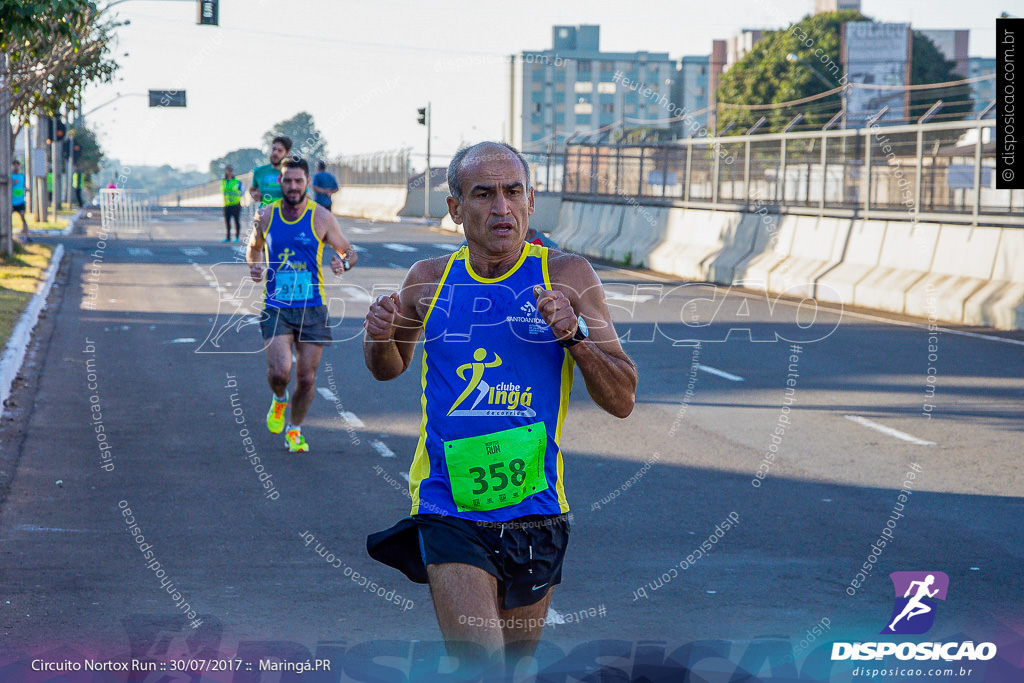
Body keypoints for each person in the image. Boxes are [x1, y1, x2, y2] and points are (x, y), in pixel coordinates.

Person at [363, 142, 637, 670]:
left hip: (535, 508)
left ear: (531, 201)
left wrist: (574, 336)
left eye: (513, 192)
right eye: (483, 194)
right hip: (449, 503)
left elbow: (623, 398)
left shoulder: (569, 277)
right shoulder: (427, 278)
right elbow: (388, 366)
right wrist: (378, 337)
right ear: (455, 208)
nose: (501, 208)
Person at [246, 155, 358, 453]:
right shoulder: (267, 216)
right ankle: (279, 399)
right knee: (281, 372)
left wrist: (342, 264)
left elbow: (349, 252)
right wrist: (254, 266)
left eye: (299, 181)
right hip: (277, 306)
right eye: (288, 180)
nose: (293, 186)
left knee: (307, 378)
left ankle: (294, 430)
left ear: (308, 183)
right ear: (279, 182)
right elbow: (253, 250)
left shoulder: (321, 217)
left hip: (312, 308)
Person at [250, 136, 291, 209]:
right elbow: (252, 189)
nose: (275, 153)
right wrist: (254, 194)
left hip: (287, 216)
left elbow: (304, 195)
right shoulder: (258, 171)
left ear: (287, 153)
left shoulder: (292, 172)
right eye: (274, 149)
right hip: (264, 215)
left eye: (280, 151)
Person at [221, 165, 244, 242]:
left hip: (236, 204)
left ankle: (237, 237)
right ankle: (228, 237)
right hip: (227, 204)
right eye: (228, 170)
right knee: (227, 221)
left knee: (236, 221)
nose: (230, 172)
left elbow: (242, 191)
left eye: (231, 170)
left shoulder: (237, 181)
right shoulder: (223, 182)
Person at [11, 160, 29, 242]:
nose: (16, 167)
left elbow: (23, 186)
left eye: (17, 165)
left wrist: (26, 189)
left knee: (23, 217)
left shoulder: (22, 176)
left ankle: (27, 236)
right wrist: (12, 183)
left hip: (21, 201)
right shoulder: (10, 176)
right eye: (14, 165)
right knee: (8, 219)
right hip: (11, 202)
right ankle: (9, 236)